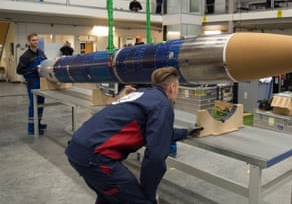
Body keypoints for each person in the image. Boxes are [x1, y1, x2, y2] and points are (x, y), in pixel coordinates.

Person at [65, 67, 203, 204]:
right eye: (178, 89)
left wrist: (186, 132)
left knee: (108, 197)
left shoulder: (142, 94)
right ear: (172, 87)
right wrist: (148, 195)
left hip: (77, 149)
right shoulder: (163, 104)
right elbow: (155, 156)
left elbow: (157, 132)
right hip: (96, 158)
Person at [16, 33, 48, 135]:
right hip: (32, 82)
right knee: (34, 105)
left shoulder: (41, 53)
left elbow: (46, 63)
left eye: (37, 40)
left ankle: (38, 123)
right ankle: (31, 128)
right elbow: (19, 71)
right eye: (33, 40)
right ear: (29, 42)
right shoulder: (25, 56)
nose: (36, 42)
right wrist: (32, 69)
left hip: (42, 82)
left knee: (40, 105)